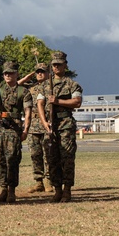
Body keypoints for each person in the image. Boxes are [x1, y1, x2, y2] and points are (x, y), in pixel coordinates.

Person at [36, 51, 82, 203]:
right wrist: (44, 123)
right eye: (54, 64)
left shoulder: (72, 84)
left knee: (67, 158)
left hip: (65, 125)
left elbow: (77, 102)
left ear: (65, 65)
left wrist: (58, 102)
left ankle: (67, 190)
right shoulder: (44, 85)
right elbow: (40, 104)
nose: (56, 67)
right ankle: (57, 190)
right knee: (52, 158)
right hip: (50, 126)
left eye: (59, 64)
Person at [0, 61, 32, 204]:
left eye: (11, 72)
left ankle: (12, 190)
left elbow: (27, 112)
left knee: (12, 159)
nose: (8, 75)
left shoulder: (23, 92)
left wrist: (25, 130)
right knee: (0, 159)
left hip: (14, 128)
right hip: (0, 128)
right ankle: (3, 189)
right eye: (5, 73)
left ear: (16, 74)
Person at [25, 63, 52, 193]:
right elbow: (16, 84)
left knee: (48, 154)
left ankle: (49, 181)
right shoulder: (30, 88)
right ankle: (38, 181)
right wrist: (30, 74)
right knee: (35, 154)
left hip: (47, 123)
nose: (40, 74)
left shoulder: (51, 86)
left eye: (42, 71)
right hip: (33, 125)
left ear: (48, 73)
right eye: (37, 72)